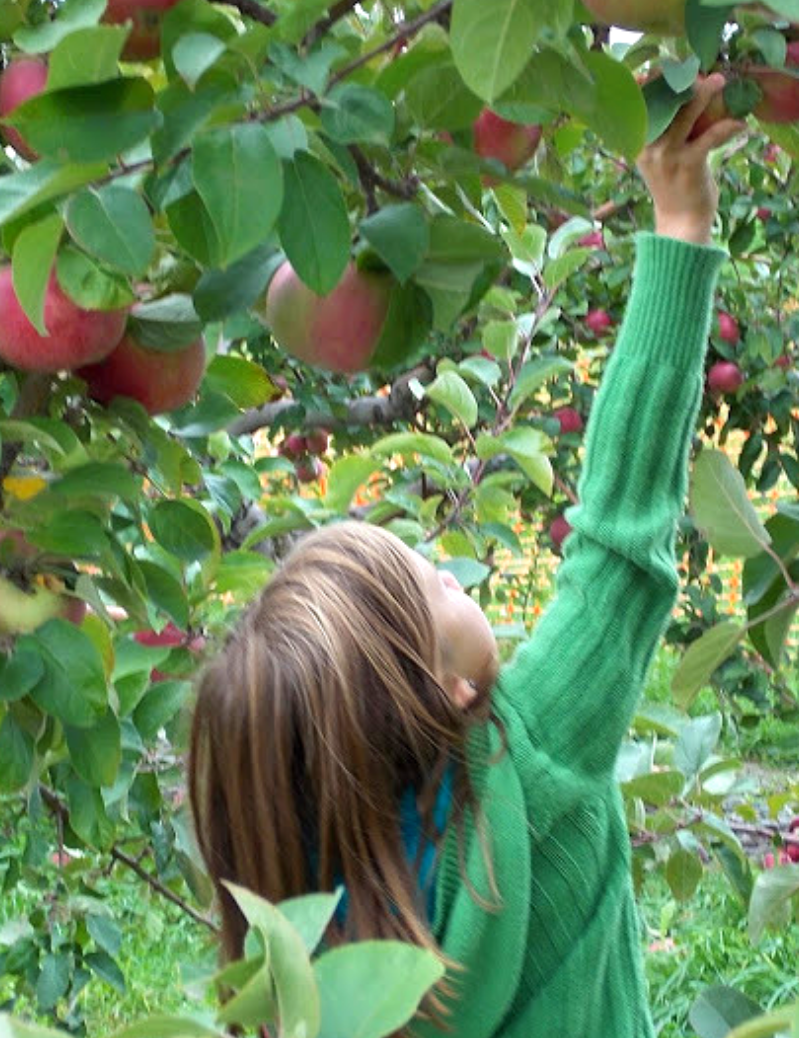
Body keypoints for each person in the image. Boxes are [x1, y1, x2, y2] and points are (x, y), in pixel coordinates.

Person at [188, 74, 743, 1038]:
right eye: (426, 586)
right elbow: (621, 536)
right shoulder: (529, 770)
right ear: (443, 695)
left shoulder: (319, 975)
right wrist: (680, 224)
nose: (442, 565)